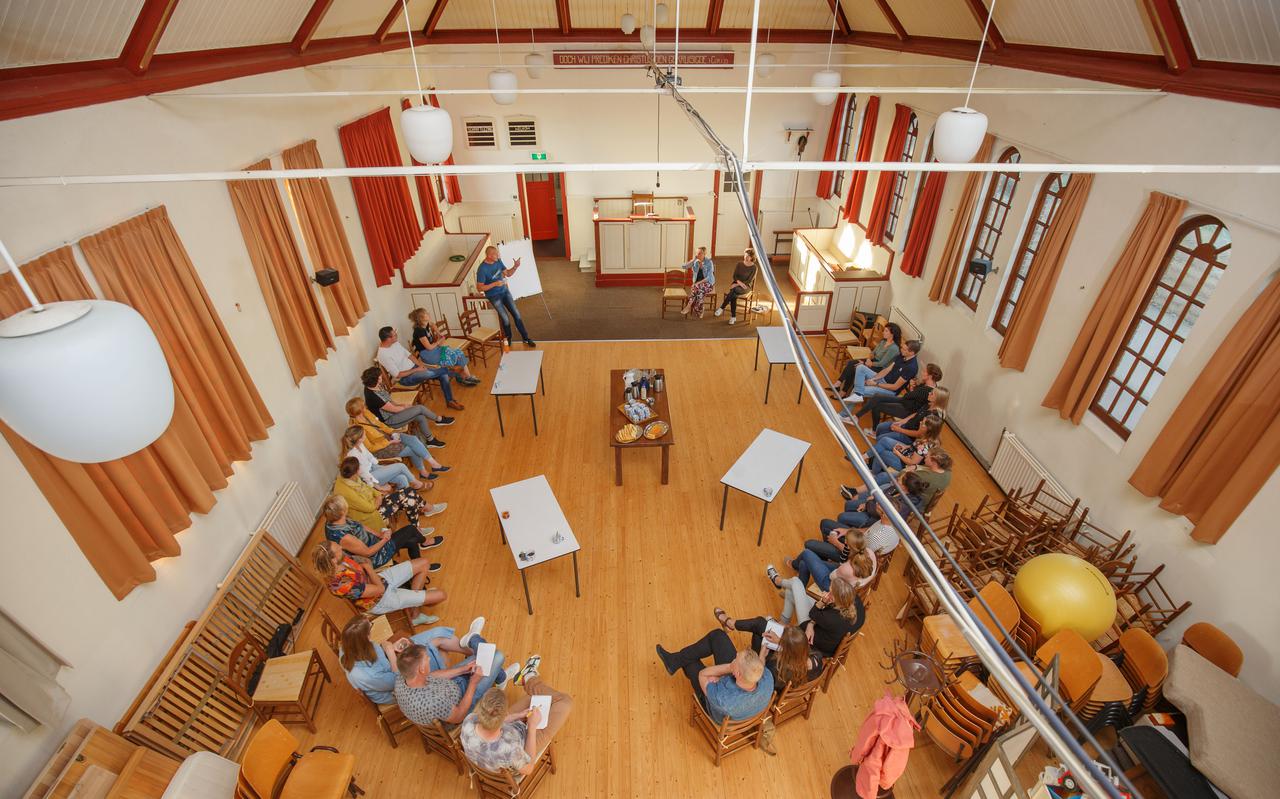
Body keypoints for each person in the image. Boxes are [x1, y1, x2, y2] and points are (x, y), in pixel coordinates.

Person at [340, 613, 486, 705]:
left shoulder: (348, 646)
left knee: (437, 635)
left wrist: (390, 648)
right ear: (364, 639)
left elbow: (377, 651)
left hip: (392, 662)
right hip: (397, 684)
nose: (372, 629)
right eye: (370, 628)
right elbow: (397, 681)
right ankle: (480, 651)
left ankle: (474, 645)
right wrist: (391, 653)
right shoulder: (368, 676)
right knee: (436, 652)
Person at [460, 662, 574, 775]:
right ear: (504, 714)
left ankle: (528, 678)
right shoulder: (510, 750)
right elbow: (528, 769)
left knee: (535, 698)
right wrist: (532, 727)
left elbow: (490, 723)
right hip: (520, 751)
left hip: (501, 747)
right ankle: (529, 678)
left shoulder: (468, 721)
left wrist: (517, 716)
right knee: (565, 702)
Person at [394, 632, 519, 728]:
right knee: (497, 656)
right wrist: (473, 682)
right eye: (427, 659)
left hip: (450, 685)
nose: (429, 660)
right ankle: (474, 641)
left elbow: (431, 676)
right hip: (462, 703)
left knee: (484, 657)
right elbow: (459, 715)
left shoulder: (403, 677)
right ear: (421, 670)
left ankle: (500, 675)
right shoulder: (434, 703)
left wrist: (463, 670)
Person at [312, 540, 444, 624]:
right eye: (339, 549)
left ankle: (414, 611)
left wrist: (369, 570)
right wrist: (369, 570)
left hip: (378, 579)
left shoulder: (340, 560)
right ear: (333, 561)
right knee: (441, 595)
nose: (341, 547)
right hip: (379, 600)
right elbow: (379, 589)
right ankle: (416, 606)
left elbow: (365, 560)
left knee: (424, 563)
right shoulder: (340, 585)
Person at [655, 633, 772, 723]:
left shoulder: (722, 699)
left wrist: (727, 668)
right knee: (718, 636)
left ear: (738, 673)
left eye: (736, 659)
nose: (734, 657)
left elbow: (702, 674)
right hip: (736, 690)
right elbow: (758, 666)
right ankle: (674, 662)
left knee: (690, 663)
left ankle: (675, 662)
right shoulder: (767, 679)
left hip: (715, 706)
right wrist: (762, 655)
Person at [710, 610, 824, 690]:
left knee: (760, 633)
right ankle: (731, 624)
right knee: (761, 627)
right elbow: (796, 651)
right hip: (784, 672)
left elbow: (759, 679)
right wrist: (779, 641)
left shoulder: (777, 670)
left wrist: (762, 657)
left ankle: (730, 624)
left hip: (766, 675)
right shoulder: (817, 657)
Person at [322, 491, 440, 568]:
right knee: (410, 529)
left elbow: (360, 526)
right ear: (342, 511)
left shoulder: (334, 519)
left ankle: (422, 566)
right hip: (375, 556)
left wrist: (379, 534)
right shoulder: (344, 537)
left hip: (375, 542)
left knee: (412, 539)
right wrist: (384, 539)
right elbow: (367, 552)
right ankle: (424, 542)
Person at [763, 571, 865, 658]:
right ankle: (782, 622)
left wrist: (822, 602)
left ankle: (778, 581)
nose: (826, 593)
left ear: (834, 599)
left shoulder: (831, 618)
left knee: (796, 582)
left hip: (813, 639)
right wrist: (813, 623)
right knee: (791, 592)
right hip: (827, 633)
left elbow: (813, 613)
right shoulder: (855, 601)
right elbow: (821, 615)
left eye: (830, 592)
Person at [347, 397, 445, 481]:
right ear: (360, 410)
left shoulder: (367, 413)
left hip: (387, 435)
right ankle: (424, 472)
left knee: (413, 439)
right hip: (381, 448)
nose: (365, 406)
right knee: (411, 449)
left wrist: (392, 432)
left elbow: (381, 425)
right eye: (363, 406)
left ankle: (434, 464)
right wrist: (389, 442)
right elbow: (371, 448)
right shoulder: (357, 428)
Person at [376, 326, 464, 411]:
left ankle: (450, 401)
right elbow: (397, 374)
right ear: (388, 339)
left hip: (415, 368)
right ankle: (450, 370)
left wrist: (421, 365)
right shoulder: (383, 355)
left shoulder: (395, 343)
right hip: (405, 378)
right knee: (429, 373)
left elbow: (409, 355)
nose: (397, 335)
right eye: (394, 335)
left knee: (443, 375)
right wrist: (416, 369)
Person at [361, 367, 453, 446]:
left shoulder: (375, 386)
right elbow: (395, 410)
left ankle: (431, 440)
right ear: (375, 380)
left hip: (392, 413)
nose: (382, 378)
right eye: (380, 377)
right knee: (420, 408)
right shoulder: (373, 397)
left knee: (420, 416)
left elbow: (388, 400)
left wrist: (401, 404)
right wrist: (406, 407)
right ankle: (439, 419)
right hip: (389, 421)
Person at [341, 426, 444, 493]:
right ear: (359, 438)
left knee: (403, 478)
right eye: (364, 434)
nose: (365, 435)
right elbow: (363, 475)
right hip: (370, 478)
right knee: (401, 466)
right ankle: (417, 484)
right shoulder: (352, 455)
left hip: (374, 469)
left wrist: (381, 467)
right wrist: (377, 486)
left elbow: (370, 458)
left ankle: (404, 500)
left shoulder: (360, 444)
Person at [840, 339, 922, 415]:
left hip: (889, 390)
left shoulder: (911, 367)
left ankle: (843, 414)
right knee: (860, 368)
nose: (901, 350)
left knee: (856, 390)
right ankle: (858, 394)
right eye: (902, 348)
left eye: (904, 349)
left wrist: (875, 384)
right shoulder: (902, 356)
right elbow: (887, 370)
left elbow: (894, 387)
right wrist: (874, 379)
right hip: (882, 379)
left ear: (912, 352)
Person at [475, 245, 535, 347]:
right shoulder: (482, 269)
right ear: (488, 255)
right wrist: (494, 284)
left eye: (497, 253)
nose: (497, 255)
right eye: (495, 254)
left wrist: (515, 266)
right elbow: (480, 288)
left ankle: (526, 338)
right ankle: (508, 339)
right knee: (505, 319)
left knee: (517, 315)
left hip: (504, 292)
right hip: (493, 296)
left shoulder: (498, 261)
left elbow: (508, 273)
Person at [408, 308, 481, 385]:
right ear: (421, 318)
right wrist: (438, 341)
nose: (428, 313)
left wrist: (438, 333)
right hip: (428, 354)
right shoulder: (419, 331)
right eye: (426, 313)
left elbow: (433, 325)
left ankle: (464, 377)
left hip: (433, 350)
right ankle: (464, 377)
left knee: (458, 353)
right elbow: (429, 347)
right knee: (453, 355)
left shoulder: (425, 324)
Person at [859, 361, 941, 429]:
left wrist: (911, 387)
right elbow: (912, 396)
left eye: (924, 372)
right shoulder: (932, 385)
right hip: (906, 402)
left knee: (877, 406)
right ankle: (857, 416)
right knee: (877, 396)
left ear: (930, 376)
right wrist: (912, 387)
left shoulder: (926, 389)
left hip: (908, 409)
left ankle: (874, 431)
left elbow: (908, 396)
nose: (922, 373)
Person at [834, 323, 902, 397]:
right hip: (872, 362)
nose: (883, 332)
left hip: (880, 369)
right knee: (851, 363)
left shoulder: (894, 348)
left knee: (855, 368)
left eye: (886, 331)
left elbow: (882, 363)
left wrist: (867, 363)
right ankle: (839, 384)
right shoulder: (883, 341)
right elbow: (873, 352)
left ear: (892, 334)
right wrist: (869, 359)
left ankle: (843, 391)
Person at [871, 387, 950, 446]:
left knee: (881, 438)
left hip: (910, 438)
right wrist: (902, 421)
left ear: (937, 399)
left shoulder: (933, 416)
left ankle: (877, 452)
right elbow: (916, 413)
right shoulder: (929, 404)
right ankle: (879, 448)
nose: (929, 393)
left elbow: (919, 434)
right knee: (881, 427)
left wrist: (899, 430)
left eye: (932, 393)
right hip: (906, 426)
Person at [868, 415, 943, 476]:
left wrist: (898, 453)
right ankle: (866, 456)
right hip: (908, 453)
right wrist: (905, 447)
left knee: (882, 453)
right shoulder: (928, 436)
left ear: (927, 429)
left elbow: (912, 463)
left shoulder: (924, 446)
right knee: (885, 440)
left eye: (922, 423)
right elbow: (914, 446)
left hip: (906, 465)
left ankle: (874, 473)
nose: (920, 422)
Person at [713, 248, 758, 325]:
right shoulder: (739, 264)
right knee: (734, 294)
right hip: (737, 283)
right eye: (745, 255)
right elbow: (734, 276)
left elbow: (749, 281)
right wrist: (738, 283)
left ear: (752, 257)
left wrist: (737, 284)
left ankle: (722, 308)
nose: (746, 257)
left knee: (733, 290)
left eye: (748, 256)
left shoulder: (754, 268)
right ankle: (733, 316)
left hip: (746, 286)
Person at [680, 246, 716, 318]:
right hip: (698, 286)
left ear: (704, 254)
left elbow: (708, 277)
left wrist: (697, 283)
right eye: (697, 253)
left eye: (700, 253)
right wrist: (693, 260)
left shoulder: (709, 262)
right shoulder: (695, 262)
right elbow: (683, 266)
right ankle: (700, 309)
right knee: (700, 292)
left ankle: (689, 306)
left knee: (696, 288)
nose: (697, 255)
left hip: (708, 284)